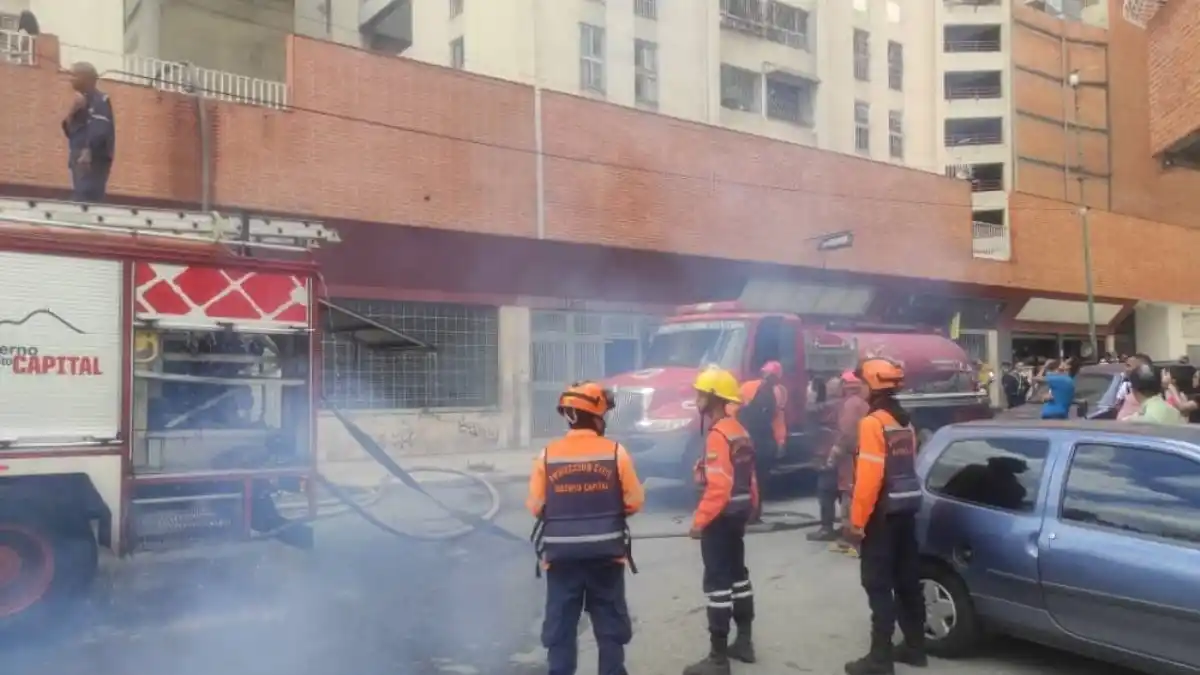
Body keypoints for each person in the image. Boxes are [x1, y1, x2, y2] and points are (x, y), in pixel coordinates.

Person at [527, 381, 645, 675]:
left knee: (561, 626)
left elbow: (536, 506)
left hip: (562, 560)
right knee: (609, 625)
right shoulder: (616, 453)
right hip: (606, 557)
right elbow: (634, 501)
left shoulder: (547, 455)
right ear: (595, 417)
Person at [843, 357, 926, 675]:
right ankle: (915, 648)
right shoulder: (904, 422)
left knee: (878, 585)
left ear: (873, 385)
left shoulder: (872, 423)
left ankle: (880, 659)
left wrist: (857, 522)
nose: (859, 388)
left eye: (862, 382)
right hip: (906, 511)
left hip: (881, 516)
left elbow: (869, 480)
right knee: (907, 580)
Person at [683, 367, 759, 675]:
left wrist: (699, 521)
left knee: (717, 582)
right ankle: (744, 643)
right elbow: (750, 478)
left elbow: (719, 486)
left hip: (720, 516)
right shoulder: (739, 430)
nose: (697, 398)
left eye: (701, 394)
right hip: (738, 514)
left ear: (713, 398)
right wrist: (752, 506)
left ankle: (718, 658)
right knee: (738, 575)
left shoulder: (718, 434)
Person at [809, 370, 869, 544]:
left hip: (846, 458)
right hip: (856, 457)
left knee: (834, 491)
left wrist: (834, 454)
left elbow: (846, 434)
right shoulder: (861, 403)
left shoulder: (848, 405)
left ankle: (844, 532)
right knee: (847, 493)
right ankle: (847, 529)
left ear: (845, 386)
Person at [62, 62, 116, 203]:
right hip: (78, 156)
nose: (70, 79)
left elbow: (100, 129)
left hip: (92, 159)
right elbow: (69, 131)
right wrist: (73, 111)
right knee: (81, 193)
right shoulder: (80, 100)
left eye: (74, 75)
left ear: (86, 78)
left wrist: (88, 151)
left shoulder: (100, 99)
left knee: (87, 195)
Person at [734, 361, 788, 461]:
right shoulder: (748, 387)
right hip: (747, 435)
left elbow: (778, 420)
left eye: (771, 376)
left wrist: (780, 441)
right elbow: (734, 410)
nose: (767, 378)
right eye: (767, 374)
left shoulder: (778, 393)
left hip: (762, 438)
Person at [1116, 353, 1155, 420]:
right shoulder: (1125, 386)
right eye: (1126, 365)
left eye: (1128, 366)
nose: (1126, 369)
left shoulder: (1149, 392)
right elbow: (1118, 404)